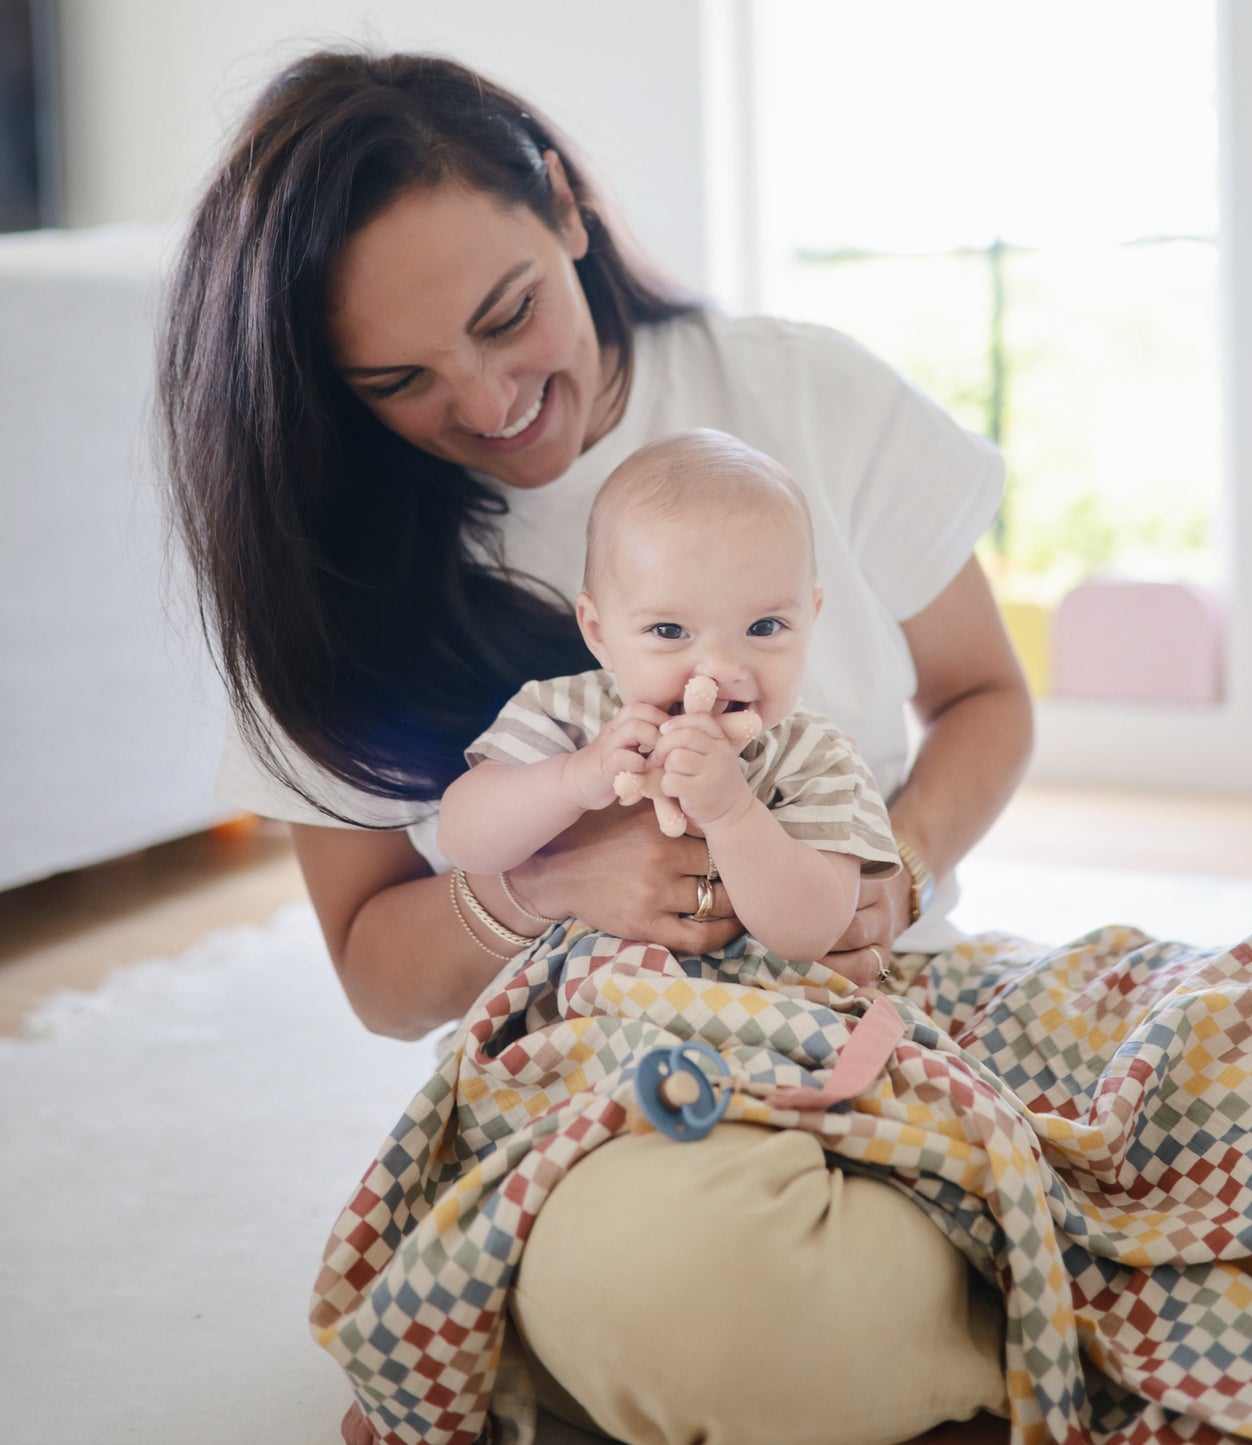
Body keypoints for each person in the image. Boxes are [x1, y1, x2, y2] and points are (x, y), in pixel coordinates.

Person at [160, 48, 1028, 1445]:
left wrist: (890, 873)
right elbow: (378, 971)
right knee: (672, 1285)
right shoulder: (334, 587)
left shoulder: (803, 394)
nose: (489, 400)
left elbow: (987, 695)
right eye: (398, 378)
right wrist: (551, 885)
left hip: (881, 1010)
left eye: (507, 315)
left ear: (565, 208)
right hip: (616, 1072)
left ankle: (974, 1269)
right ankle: (995, 1297)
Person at [438, 429, 903, 972]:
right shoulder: (563, 715)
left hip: (756, 1010)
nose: (721, 669)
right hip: (587, 1005)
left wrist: (731, 813)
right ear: (598, 633)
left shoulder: (814, 757)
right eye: (669, 630)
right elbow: (463, 840)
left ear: (810, 619)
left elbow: (812, 933)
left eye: (764, 626)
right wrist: (574, 778)